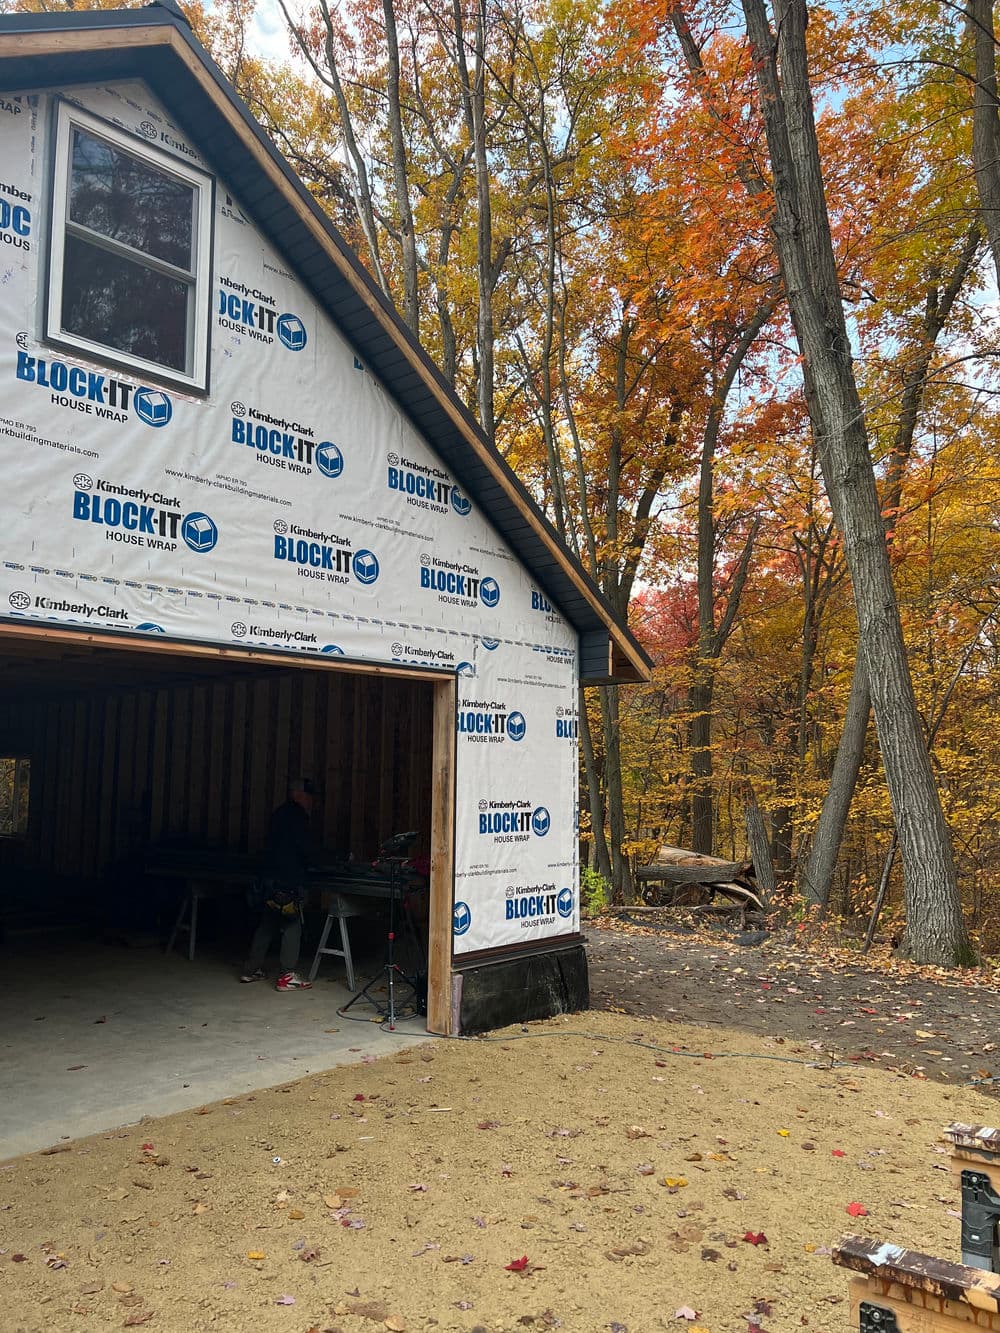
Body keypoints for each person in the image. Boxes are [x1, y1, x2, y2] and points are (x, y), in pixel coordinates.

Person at [240, 777, 318, 990]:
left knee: (267, 923)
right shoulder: (298, 817)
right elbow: (305, 849)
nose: (311, 801)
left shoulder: (279, 813)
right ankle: (287, 976)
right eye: (309, 796)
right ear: (299, 794)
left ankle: (250, 969)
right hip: (288, 881)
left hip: (269, 880)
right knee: (292, 924)